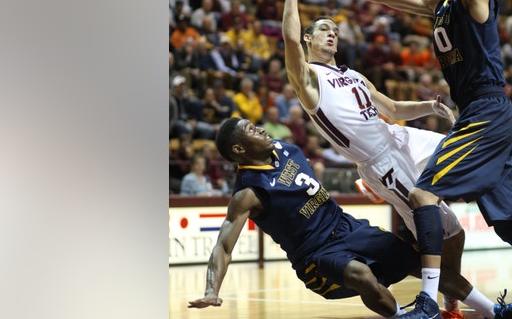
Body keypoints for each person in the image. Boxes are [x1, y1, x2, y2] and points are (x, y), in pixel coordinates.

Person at [293, 0, 512, 319]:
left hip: (488, 110)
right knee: (509, 219)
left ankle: (432, 302)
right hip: (477, 114)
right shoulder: (440, 2)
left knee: (423, 194)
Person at [188, 117, 476, 318]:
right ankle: (402, 317)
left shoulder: (285, 148)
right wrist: (211, 290)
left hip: (345, 226)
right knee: (361, 274)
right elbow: (223, 247)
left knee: (420, 259)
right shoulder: (248, 193)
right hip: (315, 255)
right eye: (251, 129)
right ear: (239, 150)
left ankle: (491, 309)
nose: (261, 129)